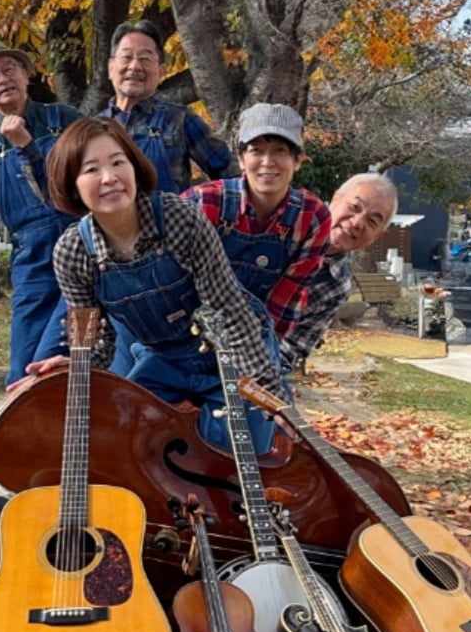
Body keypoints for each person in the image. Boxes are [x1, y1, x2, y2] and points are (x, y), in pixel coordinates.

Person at [24, 116, 283, 456]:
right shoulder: (72, 252)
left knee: (237, 450)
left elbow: (227, 309)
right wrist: (77, 362)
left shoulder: (179, 217)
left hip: (227, 348)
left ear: (134, 167)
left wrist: (260, 386)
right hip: (162, 360)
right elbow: (91, 337)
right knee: (129, 444)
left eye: (119, 162)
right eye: (91, 169)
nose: (109, 178)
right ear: (72, 184)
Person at [0, 37, 82, 386]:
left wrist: (28, 147)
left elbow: (88, 180)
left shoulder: (65, 120)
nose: (2, 79)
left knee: (64, 360)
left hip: (82, 252)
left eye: (9, 69)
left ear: (27, 75)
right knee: (23, 370)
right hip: (33, 265)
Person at [185, 104, 334, 353]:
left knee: (272, 391)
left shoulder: (312, 218)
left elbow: (286, 301)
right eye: (256, 151)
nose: (268, 162)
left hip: (254, 343)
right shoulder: (202, 203)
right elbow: (171, 281)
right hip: (185, 335)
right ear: (242, 159)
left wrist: (256, 355)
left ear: (297, 161)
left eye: (280, 151)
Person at [282, 171, 400, 370]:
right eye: (354, 207)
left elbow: (294, 348)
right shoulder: (285, 221)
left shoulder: (336, 286)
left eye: (372, 221)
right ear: (335, 198)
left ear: (378, 236)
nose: (357, 223)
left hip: (252, 368)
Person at [100, 21, 236, 194]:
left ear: (161, 72)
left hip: (169, 220)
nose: (134, 66)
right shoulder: (93, 129)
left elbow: (231, 177)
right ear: (110, 68)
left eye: (145, 59)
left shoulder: (179, 119)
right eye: (126, 57)